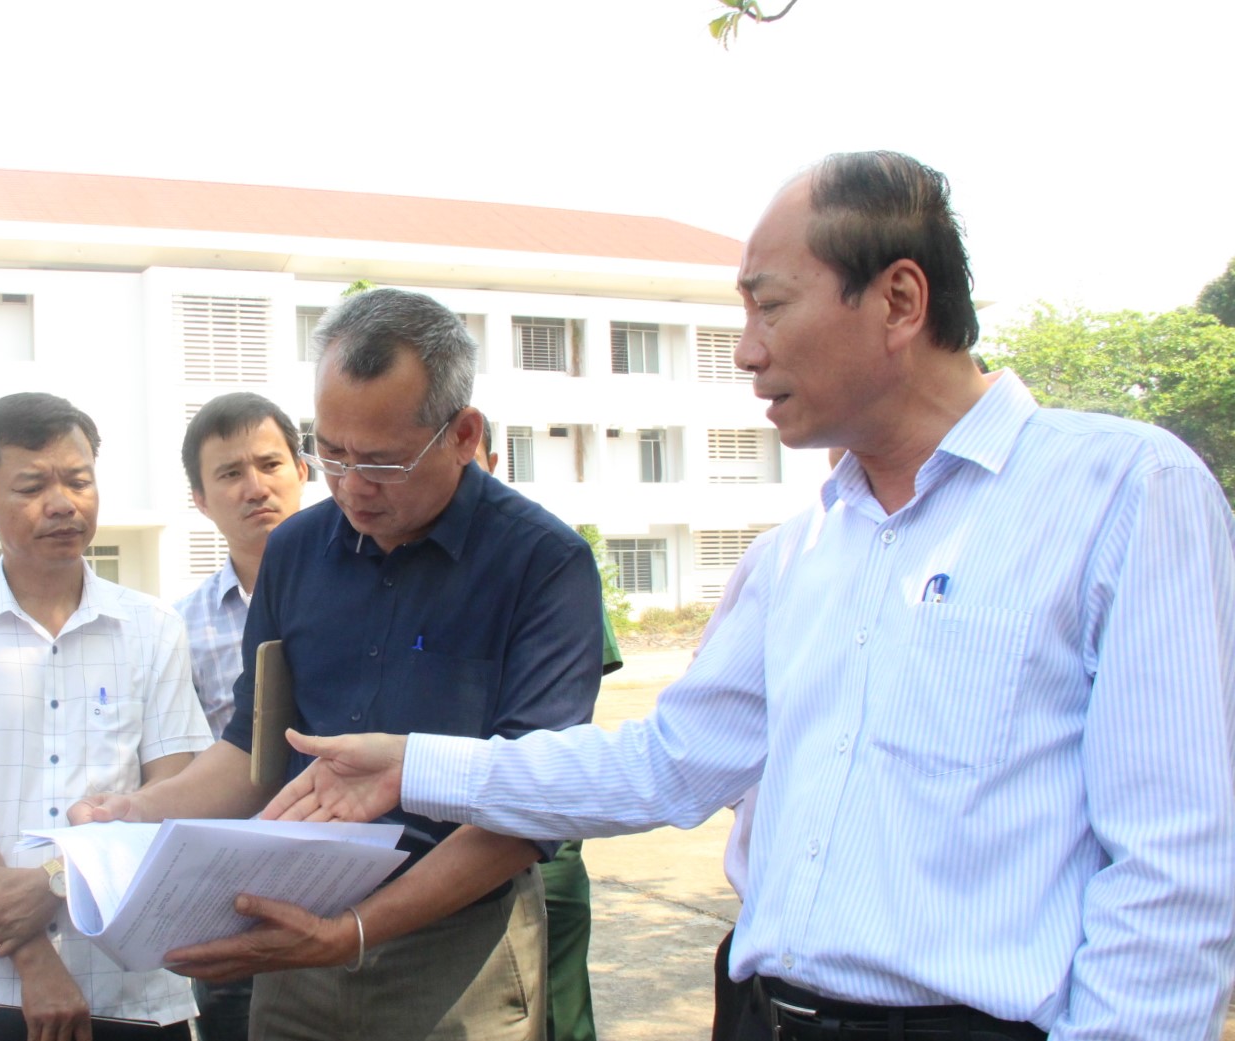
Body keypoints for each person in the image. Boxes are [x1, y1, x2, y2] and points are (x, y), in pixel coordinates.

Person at [269, 152, 1235, 1040]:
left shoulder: (1119, 492)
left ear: (899, 298)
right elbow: (667, 764)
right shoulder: (799, 553)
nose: (745, 351)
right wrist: (415, 765)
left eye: (769, 308)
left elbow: (1174, 871)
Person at [75, 287, 604, 1041]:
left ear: (463, 433)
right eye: (331, 452)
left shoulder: (544, 566)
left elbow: (528, 805)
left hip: (454, 951)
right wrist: (137, 814)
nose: (353, 485)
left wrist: (356, 929)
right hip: (296, 944)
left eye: (384, 461)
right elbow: (256, 750)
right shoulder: (294, 550)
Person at [0, 392, 211, 1041]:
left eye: (79, 480)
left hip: (129, 987)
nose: (63, 503)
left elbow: (172, 799)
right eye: (32, 485)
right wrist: (36, 960)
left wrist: (57, 881)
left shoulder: (151, 629)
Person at [172, 392, 309, 1041]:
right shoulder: (179, 628)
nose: (256, 487)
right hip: (233, 899)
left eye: (270, 463)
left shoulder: (375, 592)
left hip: (357, 885)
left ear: (303, 470)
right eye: (229, 474)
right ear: (199, 498)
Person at [470, 412, 603, 1041]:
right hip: (452, 856)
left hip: (540, 853)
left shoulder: (542, 558)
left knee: (556, 1012)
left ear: (486, 458)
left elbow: (562, 726)